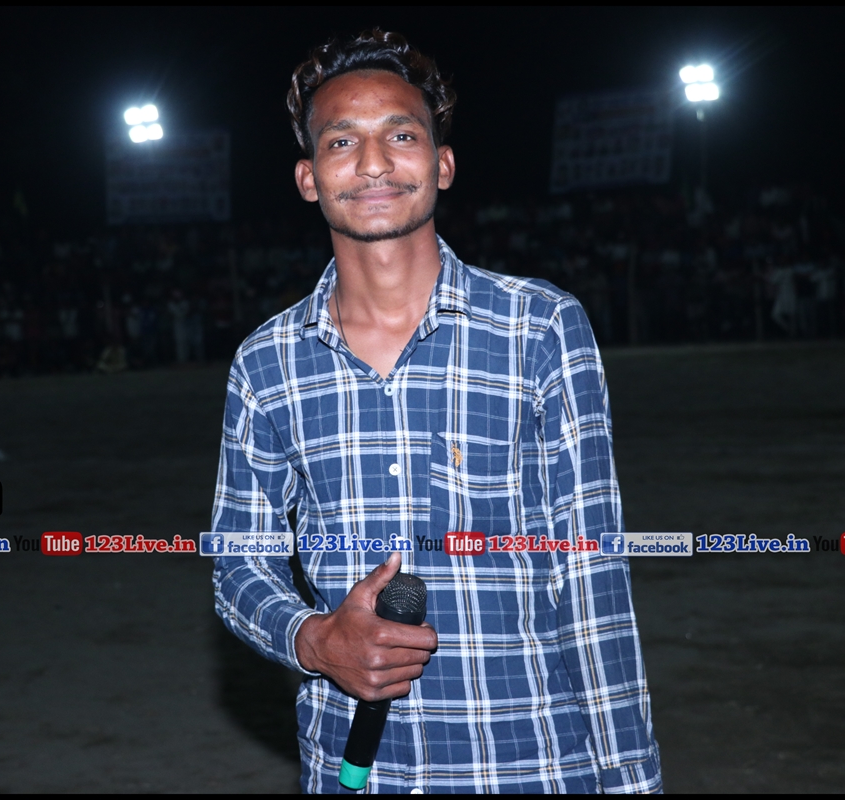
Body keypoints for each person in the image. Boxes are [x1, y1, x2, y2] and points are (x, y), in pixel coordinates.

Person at [211, 29, 661, 793]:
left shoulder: (539, 327)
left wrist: (630, 779)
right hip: (357, 770)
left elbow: (591, 577)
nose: (373, 162)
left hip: (531, 763)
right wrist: (313, 638)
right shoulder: (266, 362)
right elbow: (237, 561)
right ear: (308, 178)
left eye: (401, 135)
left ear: (442, 164)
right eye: (342, 141)